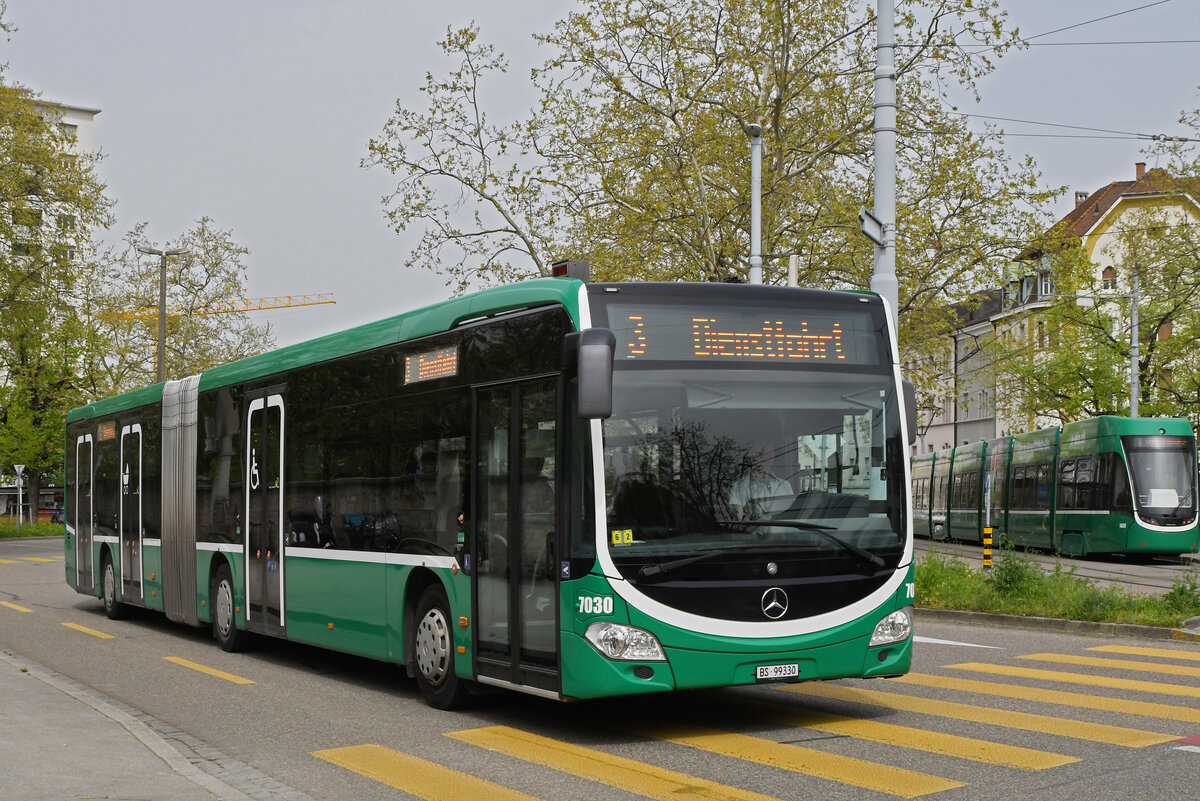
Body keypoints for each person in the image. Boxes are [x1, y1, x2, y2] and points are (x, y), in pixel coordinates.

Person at [728, 460, 793, 521]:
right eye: (762, 456)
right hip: (751, 531)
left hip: (784, 531)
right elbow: (738, 518)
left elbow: (791, 514)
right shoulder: (739, 486)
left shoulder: (784, 485)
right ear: (753, 458)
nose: (765, 460)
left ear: (772, 458)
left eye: (769, 455)